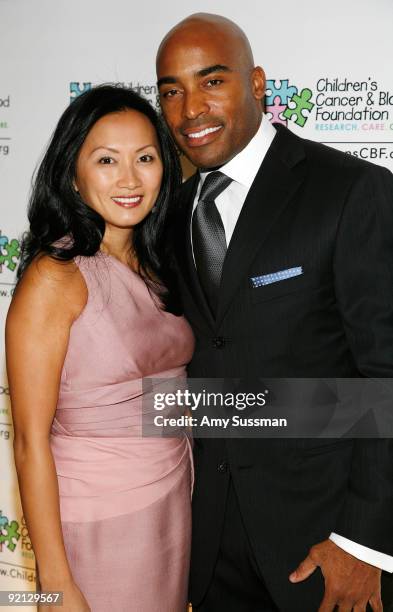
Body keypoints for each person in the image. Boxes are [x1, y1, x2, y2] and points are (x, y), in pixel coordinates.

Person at [156, 13, 393, 612]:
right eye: (172, 91)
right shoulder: (170, 211)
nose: (190, 110)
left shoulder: (349, 191)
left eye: (212, 82)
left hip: (325, 544)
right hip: (209, 554)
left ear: (258, 83)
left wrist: (363, 544)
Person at [6, 85, 194, 612]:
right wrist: (55, 584)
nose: (130, 179)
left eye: (146, 158)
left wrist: (330, 411)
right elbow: (27, 442)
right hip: (98, 524)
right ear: (72, 173)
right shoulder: (55, 277)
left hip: (174, 502)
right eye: (107, 160)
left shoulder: (160, 264)